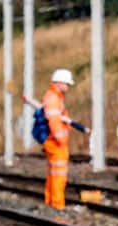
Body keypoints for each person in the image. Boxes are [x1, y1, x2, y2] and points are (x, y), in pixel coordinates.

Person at [41, 68, 75, 210]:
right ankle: (57, 205)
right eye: (67, 84)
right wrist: (62, 139)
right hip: (56, 143)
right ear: (60, 83)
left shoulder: (52, 96)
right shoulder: (54, 99)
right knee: (59, 176)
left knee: (53, 174)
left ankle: (50, 202)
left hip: (52, 141)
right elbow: (54, 121)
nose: (68, 87)